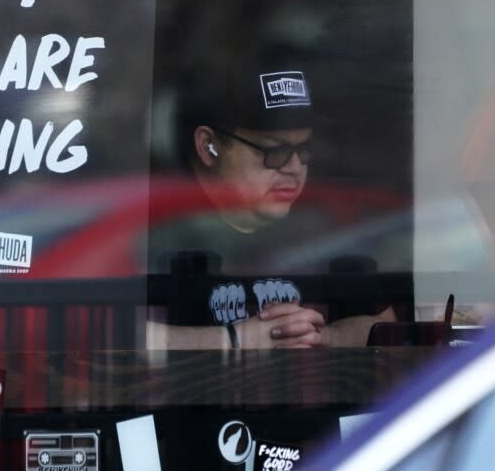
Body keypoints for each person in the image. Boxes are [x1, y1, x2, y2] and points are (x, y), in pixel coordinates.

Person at [147, 68, 397, 349]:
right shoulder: (156, 235)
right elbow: (104, 332)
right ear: (209, 146)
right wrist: (233, 340)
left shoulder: (330, 235)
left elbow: (392, 323)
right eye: (274, 152)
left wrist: (326, 336)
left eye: (305, 150)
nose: (294, 168)